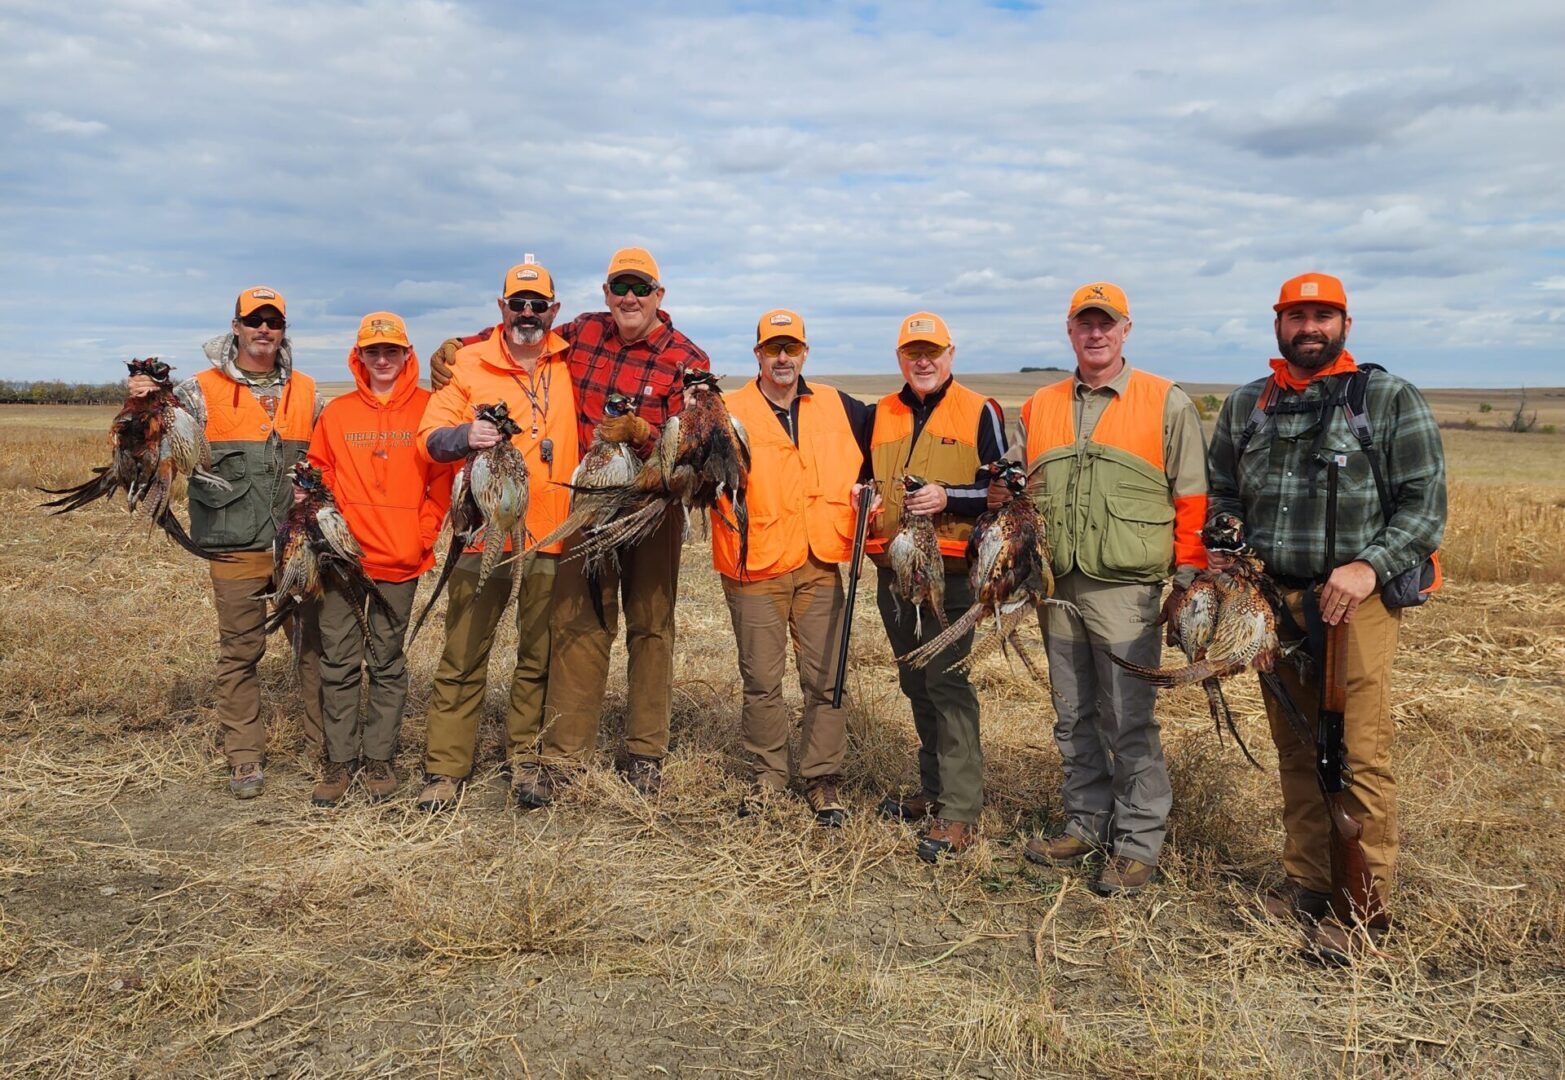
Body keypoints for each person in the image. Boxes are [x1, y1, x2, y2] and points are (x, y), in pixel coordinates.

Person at [1206, 272, 1446, 959]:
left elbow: (1423, 507)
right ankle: (1306, 882)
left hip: (1352, 602)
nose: (1307, 326)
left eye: (1322, 314)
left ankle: (1363, 906)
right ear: (1277, 323)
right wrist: (1227, 544)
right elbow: (1224, 489)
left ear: (1343, 322)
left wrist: (1366, 566)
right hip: (1269, 601)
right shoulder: (1248, 403)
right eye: (1295, 315)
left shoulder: (1386, 399)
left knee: (1355, 752)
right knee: (1294, 746)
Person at [1001, 282, 1208, 897]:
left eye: (1106, 323)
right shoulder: (1040, 404)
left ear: (1125, 330)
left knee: (1127, 716)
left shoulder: (1165, 402)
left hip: (1128, 589)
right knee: (1072, 712)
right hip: (1057, 583)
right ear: (1070, 331)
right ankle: (1085, 824)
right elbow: (1018, 484)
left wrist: (1188, 579)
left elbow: (1193, 495)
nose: (1096, 333)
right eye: (1085, 323)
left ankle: (1138, 843)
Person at [131, 286, 325, 799]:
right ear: (235, 325)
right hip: (234, 542)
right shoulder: (197, 392)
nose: (264, 328)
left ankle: (324, 744)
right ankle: (244, 758)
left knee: (313, 648)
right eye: (253, 319)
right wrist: (142, 401)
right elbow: (145, 448)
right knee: (241, 652)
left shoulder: (308, 392)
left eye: (274, 320)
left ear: (283, 329)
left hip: (297, 547)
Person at [414, 261, 580, 811]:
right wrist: (467, 434)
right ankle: (445, 767)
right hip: (483, 532)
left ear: (553, 310)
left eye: (538, 305)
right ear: (501, 306)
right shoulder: (468, 364)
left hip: (549, 534)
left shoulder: (571, 358)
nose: (527, 314)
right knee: (463, 651)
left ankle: (526, 760)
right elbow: (428, 438)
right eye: (517, 304)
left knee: (539, 655)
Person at [714, 309, 874, 827]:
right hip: (753, 562)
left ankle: (823, 778)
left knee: (826, 676)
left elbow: (888, 445)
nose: (782, 358)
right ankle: (768, 777)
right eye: (772, 348)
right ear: (756, 354)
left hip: (821, 559)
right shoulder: (726, 410)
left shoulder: (838, 406)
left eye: (792, 348)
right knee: (761, 678)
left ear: (805, 352)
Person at [866, 312, 1006, 862]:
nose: (922, 361)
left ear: (951, 353)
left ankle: (960, 812)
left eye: (932, 352)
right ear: (900, 358)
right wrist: (865, 497)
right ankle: (932, 790)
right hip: (896, 570)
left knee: (947, 686)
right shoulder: (882, 412)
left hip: (951, 575)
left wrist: (951, 498)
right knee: (914, 681)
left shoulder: (981, 409)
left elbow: (1002, 490)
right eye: (911, 352)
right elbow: (863, 474)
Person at [304, 312, 453, 807]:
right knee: (339, 662)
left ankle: (380, 758)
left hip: (400, 560)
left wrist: (422, 535)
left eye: (392, 351)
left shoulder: (431, 408)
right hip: (342, 562)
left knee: (386, 662)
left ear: (408, 356)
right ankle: (340, 761)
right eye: (373, 352)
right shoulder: (338, 414)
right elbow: (316, 480)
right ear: (359, 357)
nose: (383, 360)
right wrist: (326, 535)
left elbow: (441, 483)